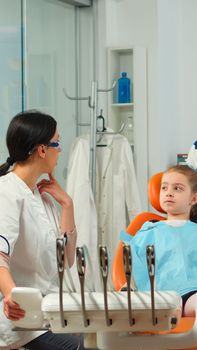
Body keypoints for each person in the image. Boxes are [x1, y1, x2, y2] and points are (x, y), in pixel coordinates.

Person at [0, 110, 85, 349]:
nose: (61, 150)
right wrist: (12, 296)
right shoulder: (7, 192)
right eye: (58, 142)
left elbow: (67, 259)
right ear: (42, 150)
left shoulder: (41, 194)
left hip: (48, 312)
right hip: (21, 319)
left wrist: (67, 205)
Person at [120, 164, 197, 317]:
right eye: (164, 188)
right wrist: (129, 286)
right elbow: (134, 262)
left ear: (193, 198)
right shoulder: (148, 229)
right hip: (157, 295)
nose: (169, 193)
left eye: (177, 188)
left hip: (191, 292)